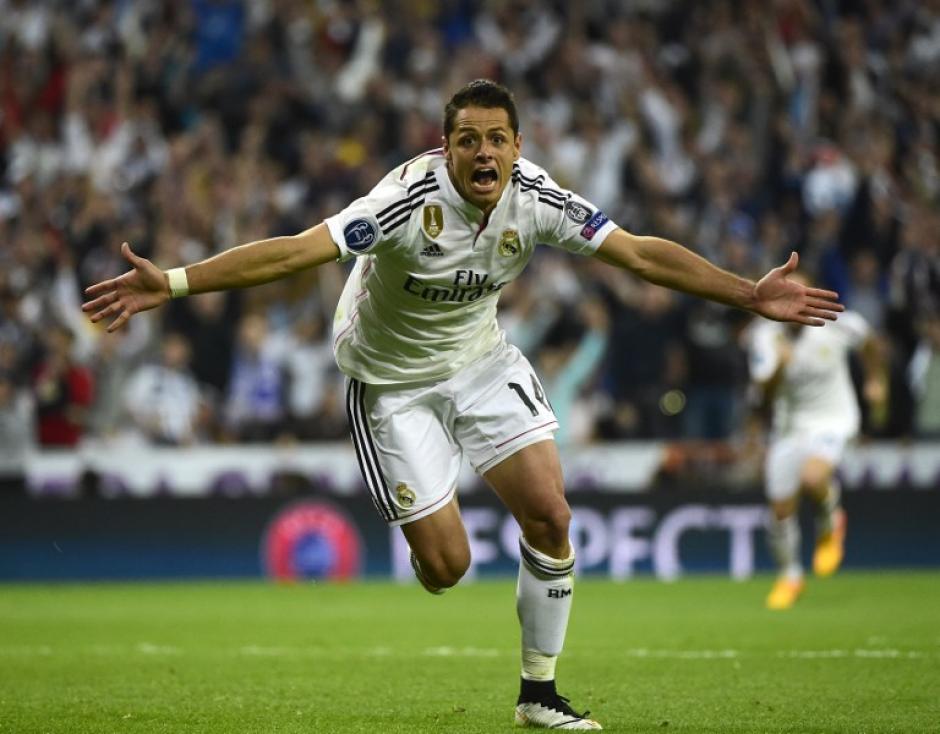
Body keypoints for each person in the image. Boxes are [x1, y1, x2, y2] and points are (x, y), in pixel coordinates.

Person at [83, 80, 842, 730]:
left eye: (499, 140)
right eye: (469, 140)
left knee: (550, 513)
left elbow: (640, 253)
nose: (485, 154)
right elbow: (294, 251)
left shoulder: (539, 198)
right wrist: (174, 283)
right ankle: (428, 530)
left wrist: (748, 293)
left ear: (518, 146)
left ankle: (538, 695)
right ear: (443, 148)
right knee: (447, 568)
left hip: (479, 363)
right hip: (389, 382)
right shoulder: (404, 202)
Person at [746, 284, 884, 611]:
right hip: (788, 428)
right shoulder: (764, 336)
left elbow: (870, 343)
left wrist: (876, 379)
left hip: (834, 419)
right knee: (780, 510)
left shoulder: (836, 322)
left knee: (813, 477)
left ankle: (830, 520)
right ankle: (791, 576)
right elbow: (762, 397)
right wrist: (780, 365)